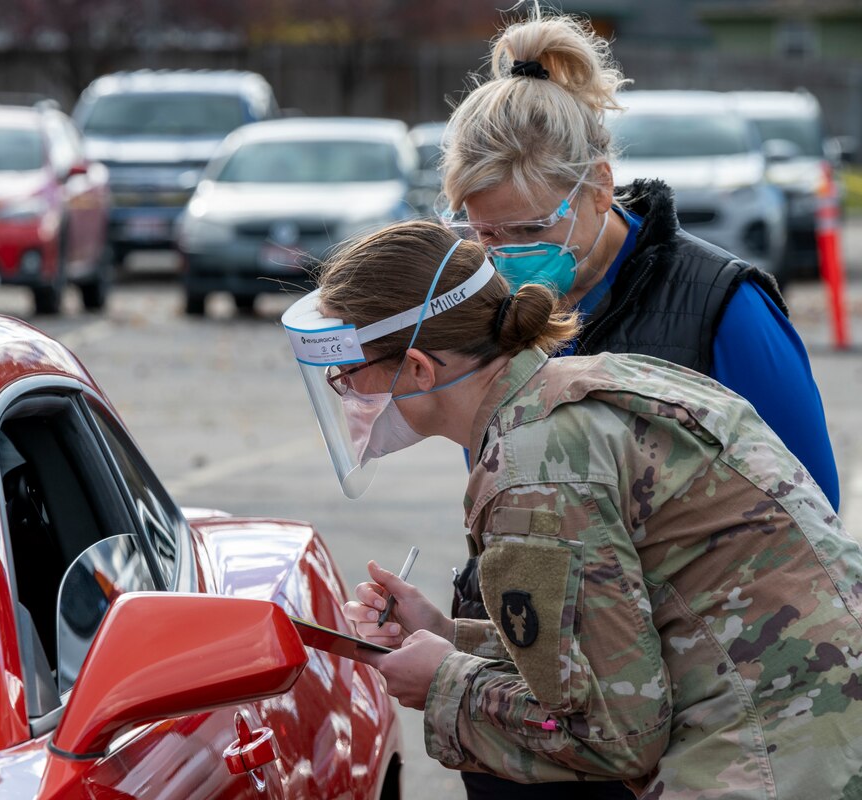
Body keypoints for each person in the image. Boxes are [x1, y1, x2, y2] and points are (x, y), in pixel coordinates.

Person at [279, 219, 862, 798]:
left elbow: (616, 734)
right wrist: (447, 635)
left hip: (773, 762)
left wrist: (442, 684)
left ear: (418, 369)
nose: (348, 396)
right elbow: (620, 643)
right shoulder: (599, 382)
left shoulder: (533, 471)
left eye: (349, 377)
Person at [434, 10, 840, 797]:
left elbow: (810, 522)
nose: (506, 258)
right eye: (482, 236)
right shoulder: (495, 313)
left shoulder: (724, 305)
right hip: (558, 716)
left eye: (526, 228)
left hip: (710, 724)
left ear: (598, 190)